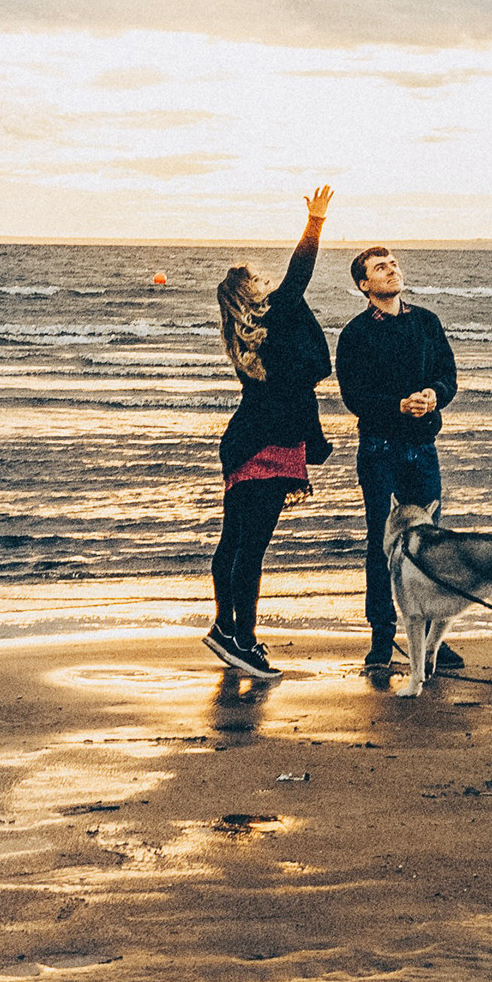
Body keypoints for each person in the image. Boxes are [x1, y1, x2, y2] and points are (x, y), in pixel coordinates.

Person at [206, 186, 335, 680]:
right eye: (260, 279)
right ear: (249, 292)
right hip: (267, 446)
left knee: (235, 542)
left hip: (246, 443)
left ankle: (224, 627)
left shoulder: (246, 336)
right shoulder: (275, 313)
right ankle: (244, 641)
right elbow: (298, 273)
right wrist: (316, 221)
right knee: (250, 546)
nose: (269, 282)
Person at [337, 245, 462, 673]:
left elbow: (448, 375)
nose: (391, 272)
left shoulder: (426, 322)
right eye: (379, 269)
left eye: (392, 265)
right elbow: (354, 396)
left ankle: (431, 640)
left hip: (423, 449)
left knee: (432, 544)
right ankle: (382, 638)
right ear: (364, 285)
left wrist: (434, 395)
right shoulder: (355, 334)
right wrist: (397, 405)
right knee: (382, 546)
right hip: (379, 451)